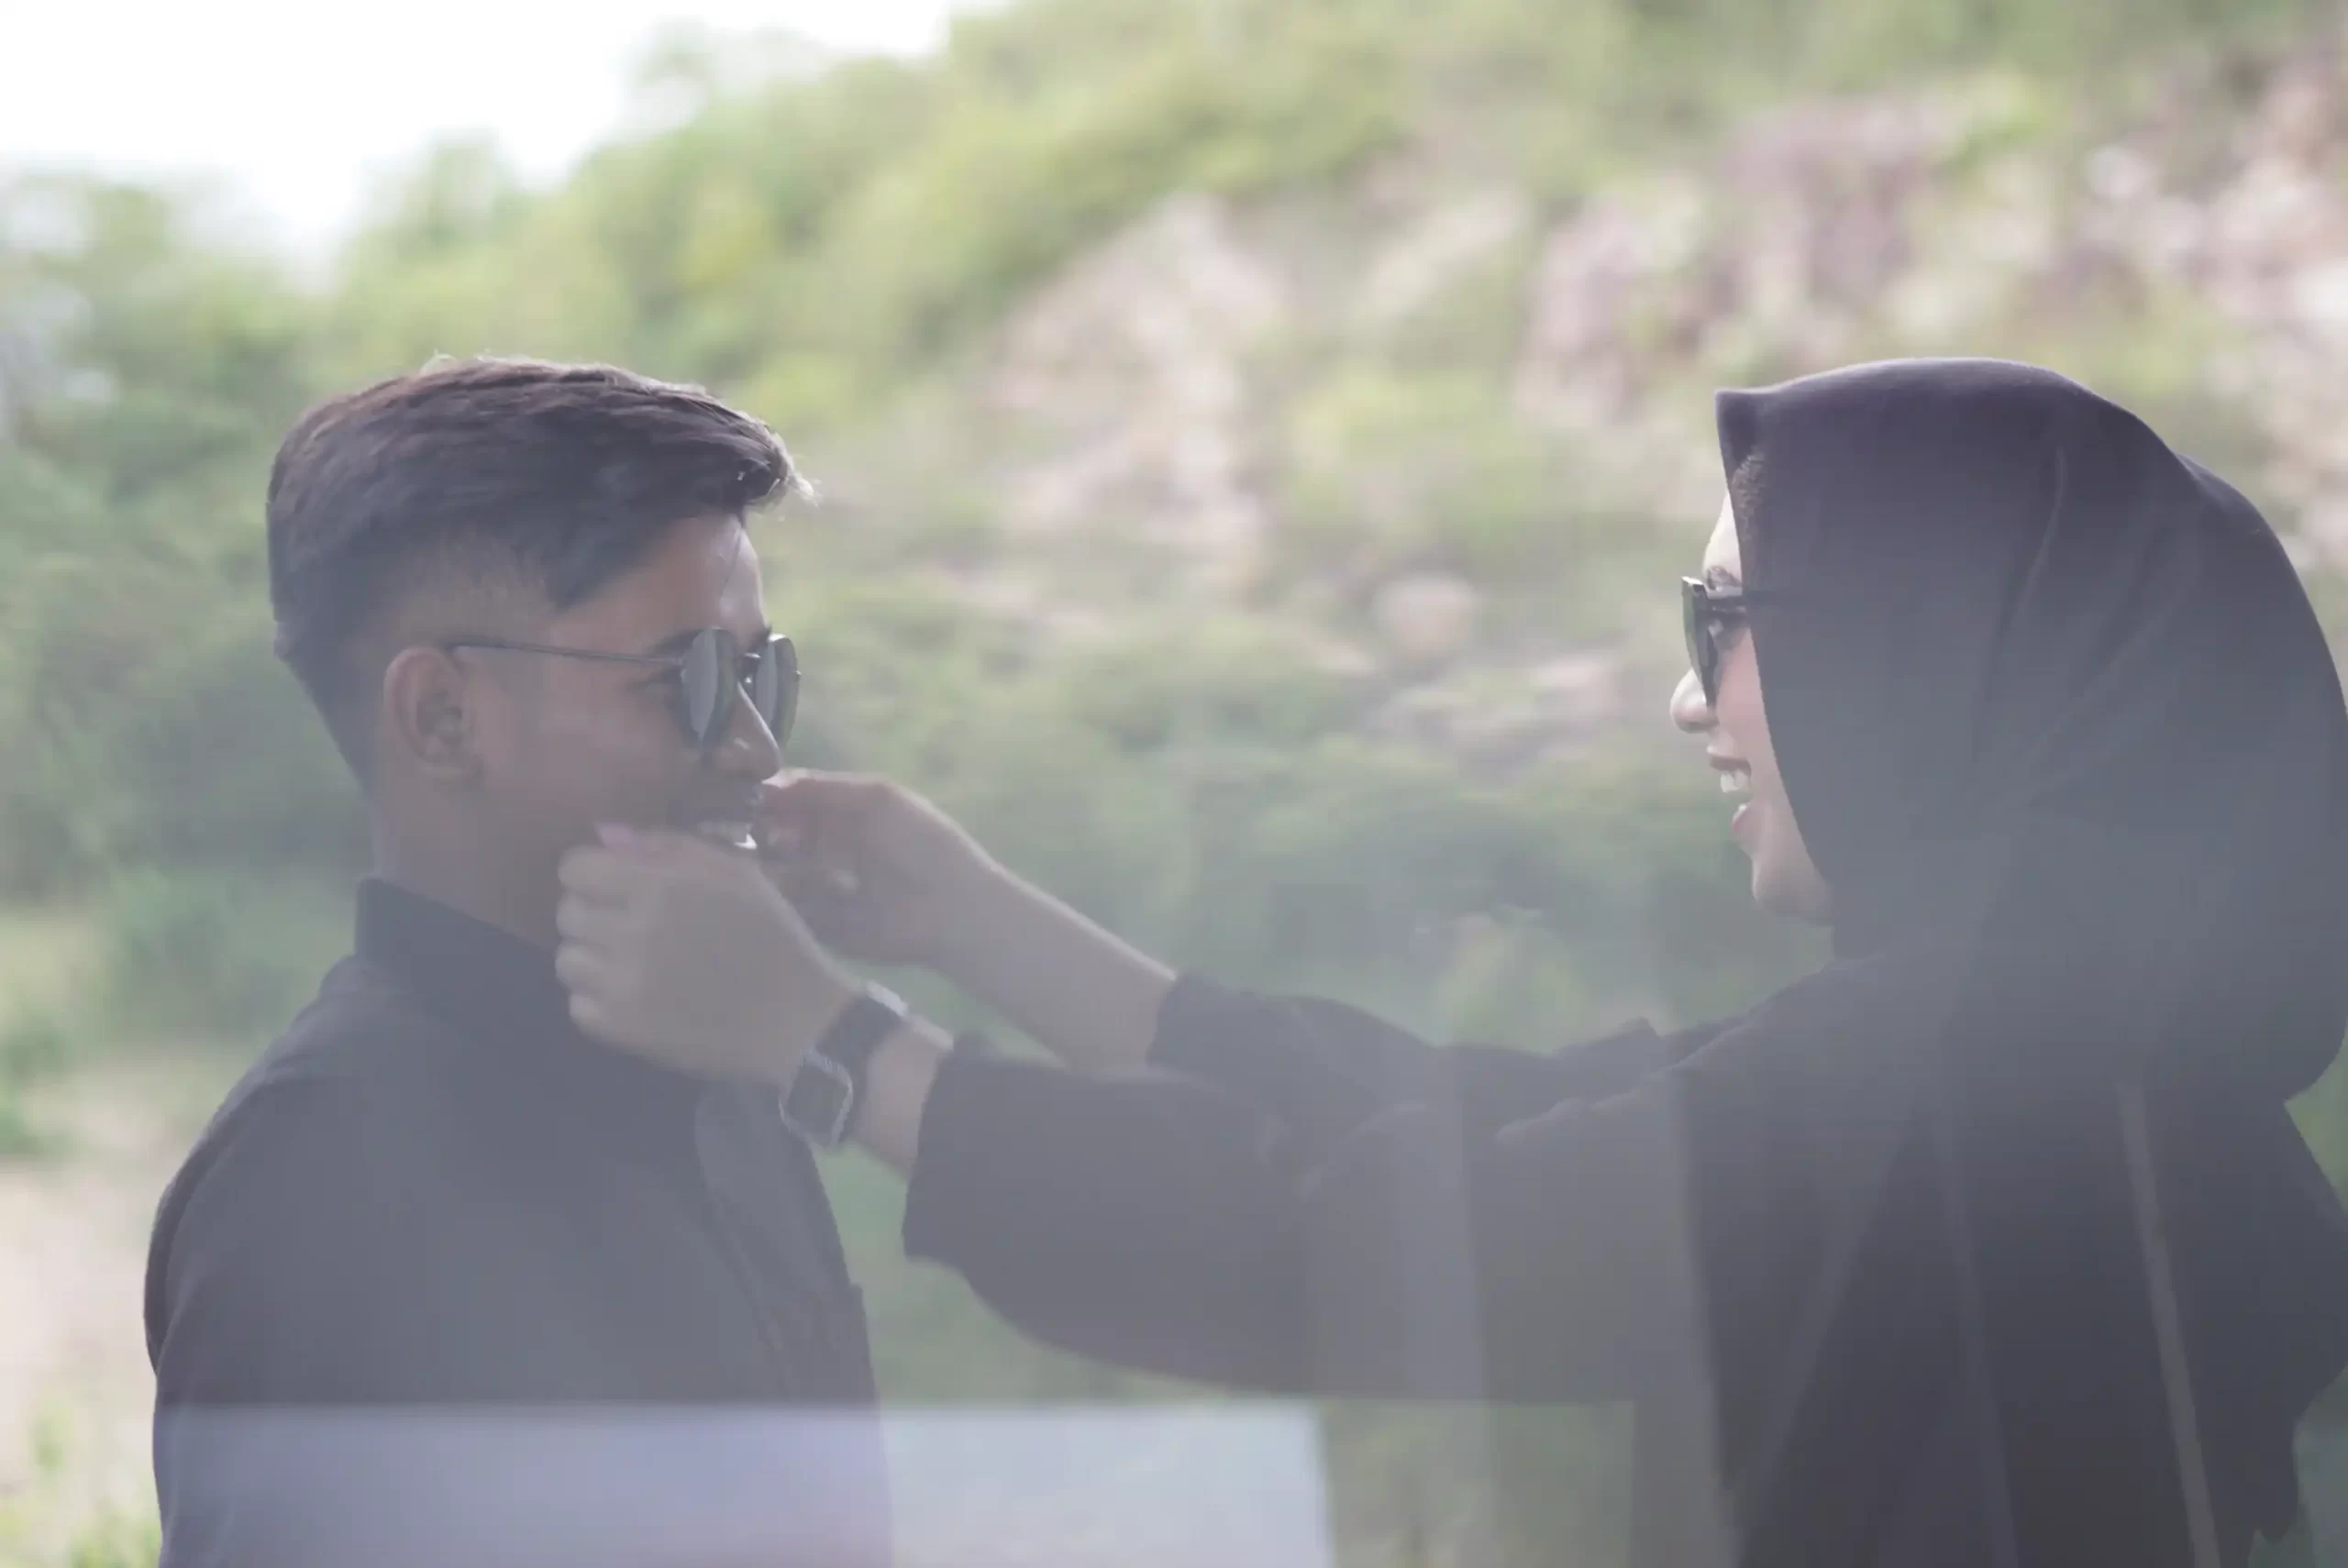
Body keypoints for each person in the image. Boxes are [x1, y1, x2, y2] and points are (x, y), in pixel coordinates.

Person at [554, 359, 2348, 1567]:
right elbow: (1488, 1119)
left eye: (1723, 623)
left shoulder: (1968, 1088)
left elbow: (1383, 1245)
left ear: (1929, 648)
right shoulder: (2095, 1055)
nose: (1687, 701)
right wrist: (981, 925)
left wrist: (834, 1051)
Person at [144, 359, 889, 1567]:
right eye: (691, 683)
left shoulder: (726, 1072)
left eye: (764, 674)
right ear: (442, 717)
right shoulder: (320, 1182)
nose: (755, 748)